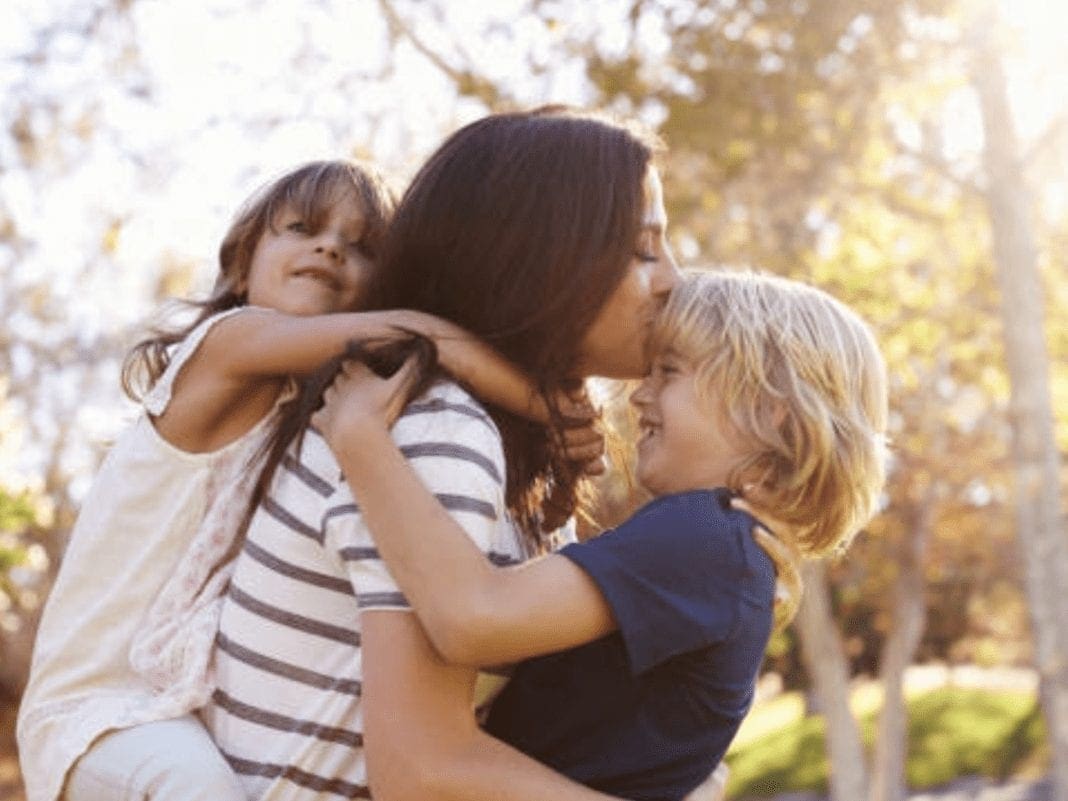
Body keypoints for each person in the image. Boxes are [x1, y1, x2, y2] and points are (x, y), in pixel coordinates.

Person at [16, 159, 569, 801]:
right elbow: (418, 340)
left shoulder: (311, 413)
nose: (330, 246)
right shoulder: (223, 348)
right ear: (242, 265)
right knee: (195, 785)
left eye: (361, 248)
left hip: (178, 704)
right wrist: (547, 406)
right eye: (302, 227)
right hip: (98, 707)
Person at [200, 106, 689, 800]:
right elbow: (423, 770)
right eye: (644, 251)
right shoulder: (437, 429)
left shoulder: (493, 439)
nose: (674, 278)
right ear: (542, 262)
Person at [312, 269, 889, 800]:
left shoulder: (706, 536)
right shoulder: (727, 550)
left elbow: (472, 617)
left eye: (670, 371)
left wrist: (361, 438)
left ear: (769, 411)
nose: (639, 394)